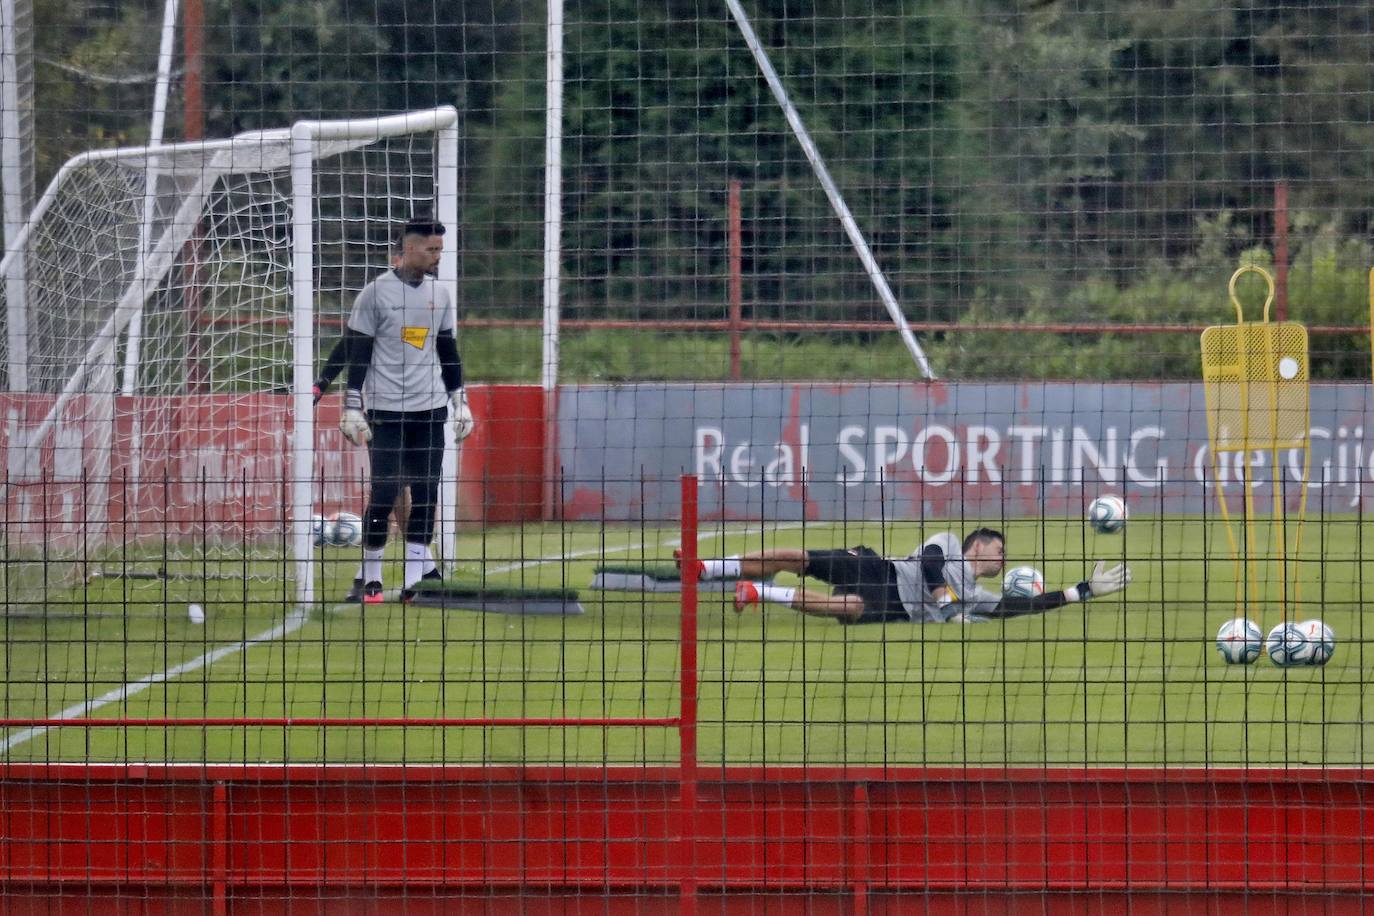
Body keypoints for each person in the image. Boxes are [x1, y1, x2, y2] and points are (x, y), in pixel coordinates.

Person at [334, 215, 475, 603]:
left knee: (427, 490)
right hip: (386, 411)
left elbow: (448, 353)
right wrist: (351, 404)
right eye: (431, 249)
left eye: (440, 250)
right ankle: (371, 576)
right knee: (383, 491)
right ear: (409, 248)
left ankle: (416, 579)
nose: (437, 257)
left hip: (430, 410)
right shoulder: (375, 294)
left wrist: (460, 401)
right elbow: (357, 354)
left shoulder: (440, 295)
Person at [678, 529, 1132, 623]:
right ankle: (709, 567)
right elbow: (931, 563)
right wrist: (946, 600)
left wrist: (1083, 590)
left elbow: (1020, 605)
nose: (1003, 557)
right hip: (883, 569)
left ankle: (757, 591)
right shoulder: (950, 542)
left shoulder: (976, 596)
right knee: (799, 556)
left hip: (894, 606)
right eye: (1000, 550)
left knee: (848, 609)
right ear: (979, 545)